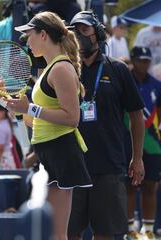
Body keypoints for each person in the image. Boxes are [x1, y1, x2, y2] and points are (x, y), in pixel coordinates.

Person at [7, 11, 92, 240]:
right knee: (48, 232)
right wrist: (13, 107)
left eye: (30, 34)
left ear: (43, 34)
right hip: (49, 152)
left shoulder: (62, 69)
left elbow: (72, 117)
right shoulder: (50, 68)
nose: (27, 40)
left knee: (57, 234)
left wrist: (30, 108)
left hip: (62, 151)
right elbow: (36, 119)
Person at [68, 11, 145, 240]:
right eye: (74, 32)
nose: (79, 36)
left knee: (105, 232)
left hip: (109, 165)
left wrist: (138, 157)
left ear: (98, 34)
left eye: (84, 30)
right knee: (69, 232)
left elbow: (136, 115)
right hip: (72, 165)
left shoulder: (118, 69)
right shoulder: (65, 69)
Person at [125, 46, 161, 240]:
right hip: (128, 141)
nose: (144, 65)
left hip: (153, 143)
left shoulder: (156, 85)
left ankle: (148, 229)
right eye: (140, 61)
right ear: (132, 60)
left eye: (147, 61)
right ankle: (130, 228)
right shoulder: (124, 80)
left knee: (150, 185)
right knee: (129, 185)